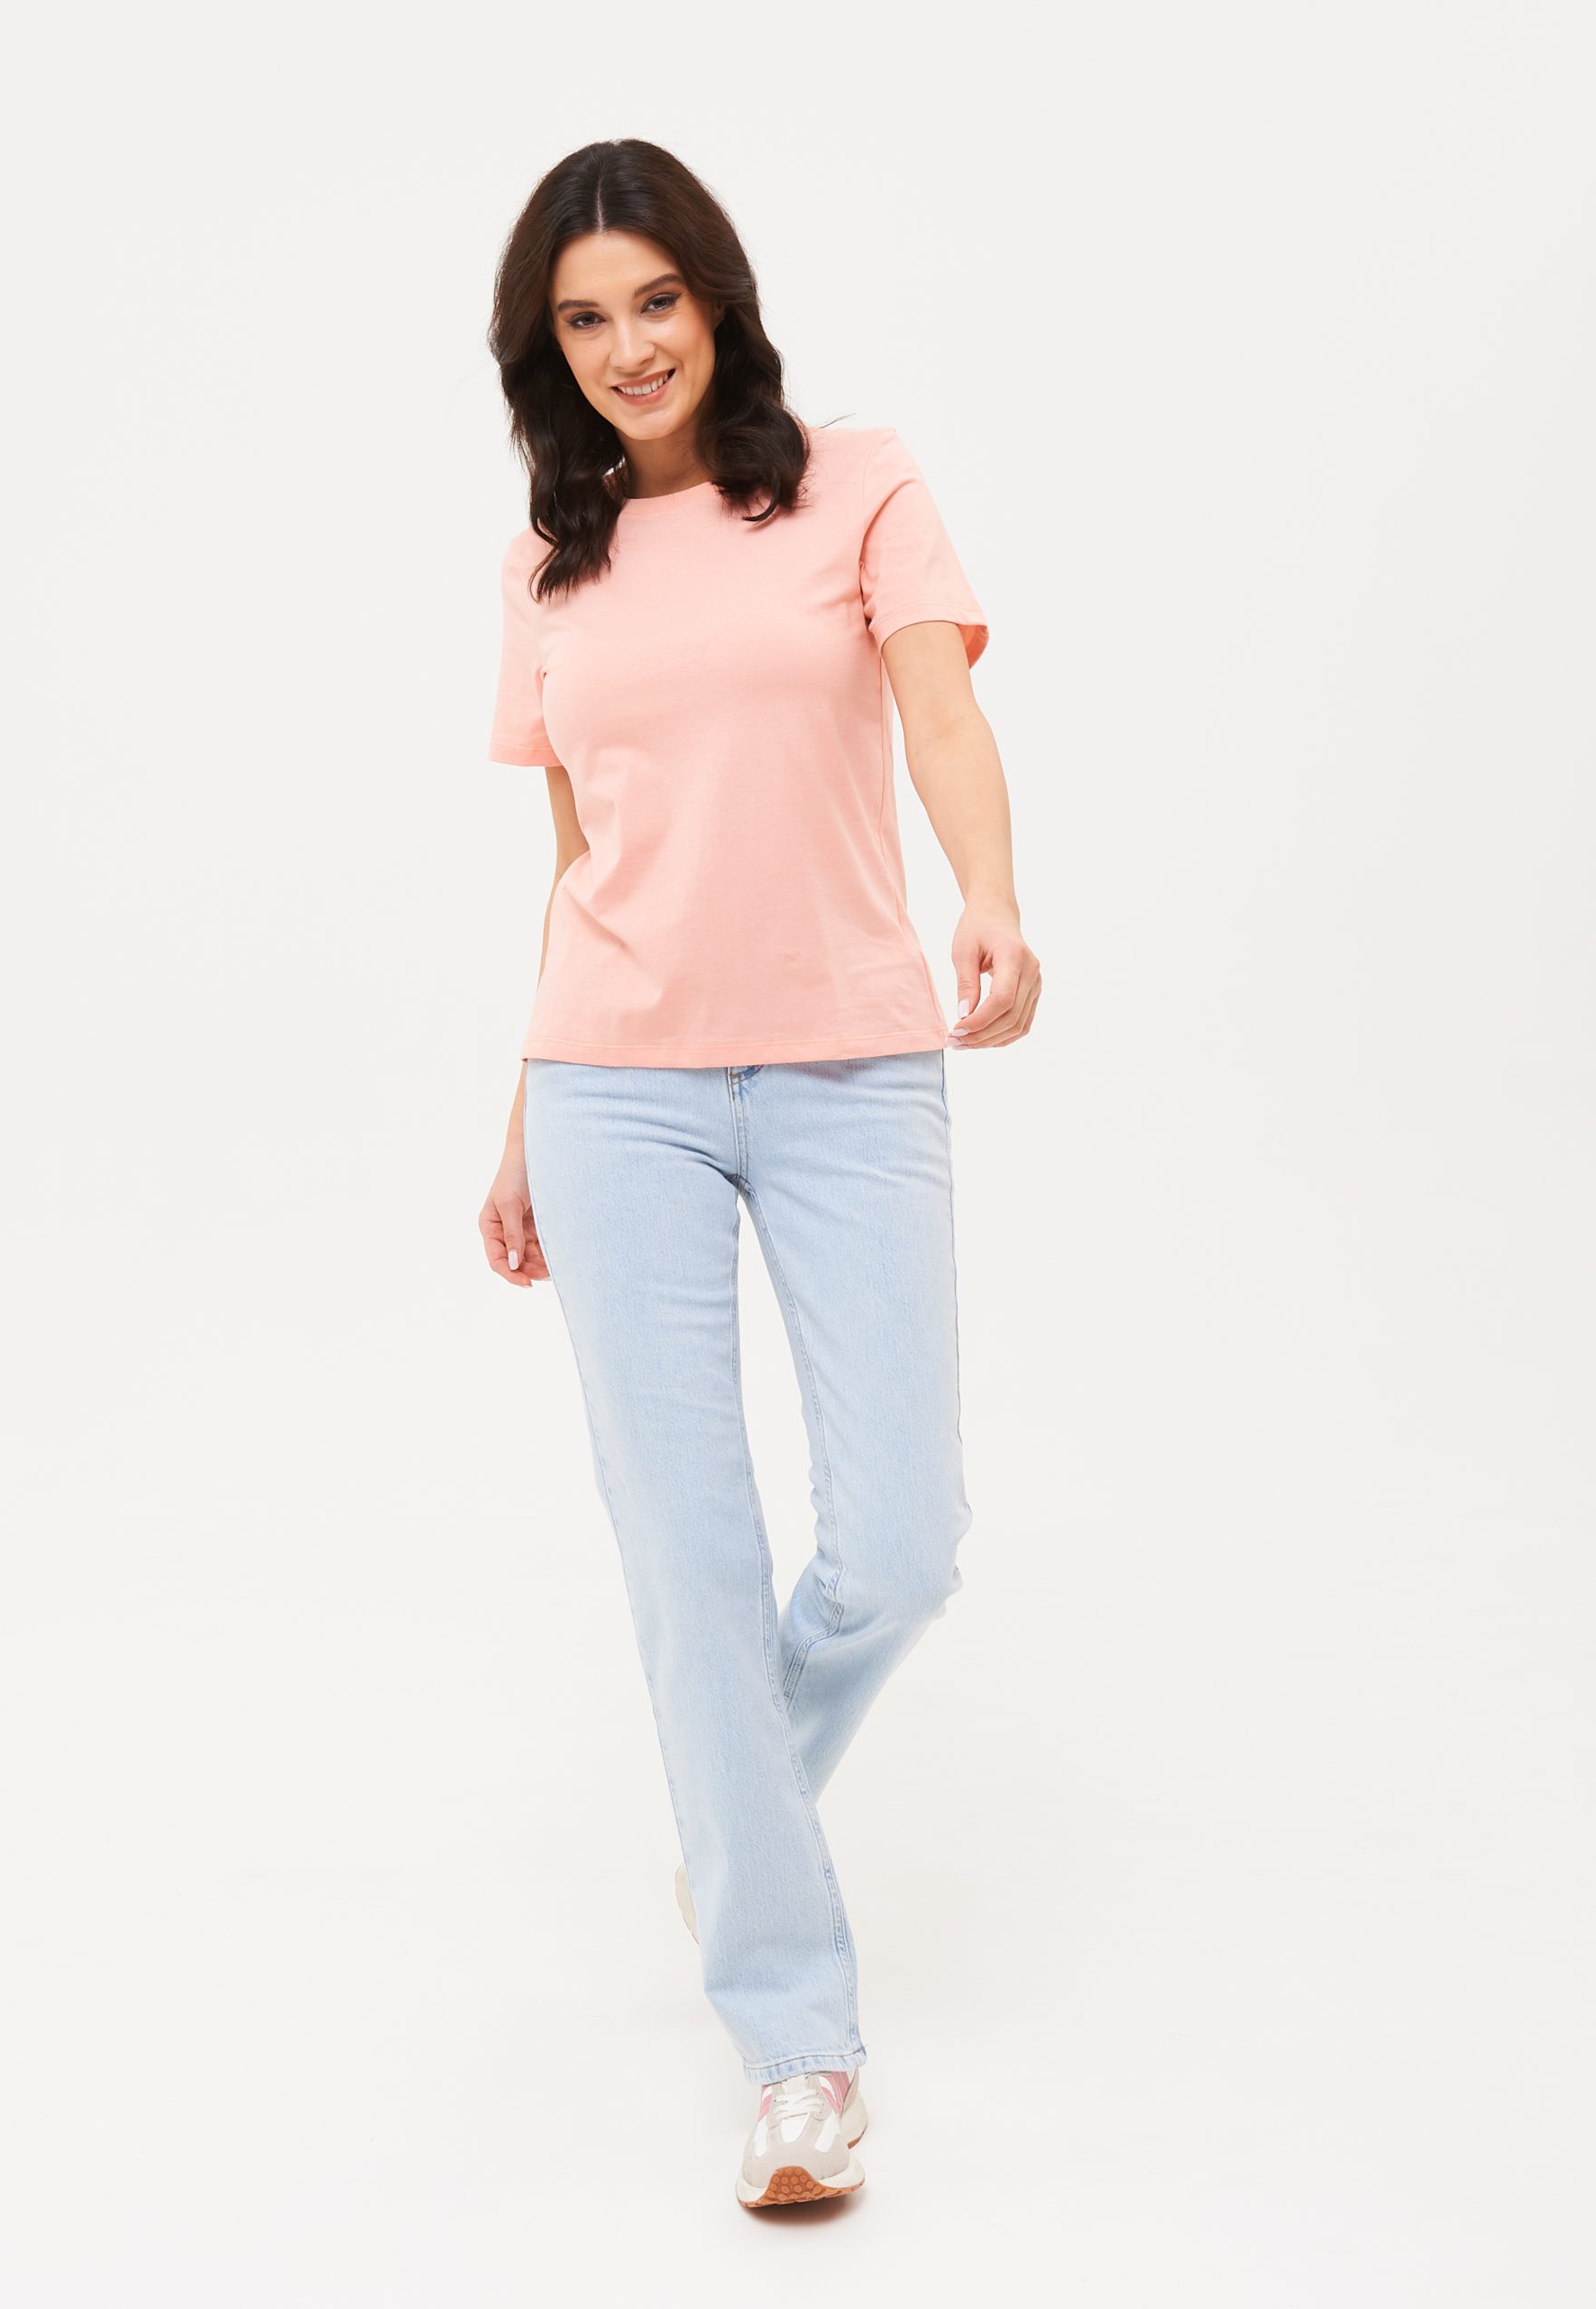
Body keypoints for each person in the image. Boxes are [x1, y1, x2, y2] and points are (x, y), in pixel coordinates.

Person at [478, 138, 1041, 2212]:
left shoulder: (856, 483)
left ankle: (735, 1822)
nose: (628, 346)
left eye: (655, 299)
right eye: (583, 320)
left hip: (848, 1060)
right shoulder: (550, 563)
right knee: (691, 1556)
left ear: (717, 297)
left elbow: (941, 719)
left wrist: (991, 897)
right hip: (610, 1085)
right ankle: (799, 2046)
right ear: (548, 351)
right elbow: (579, 858)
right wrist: (522, 1107)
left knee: (901, 1538)